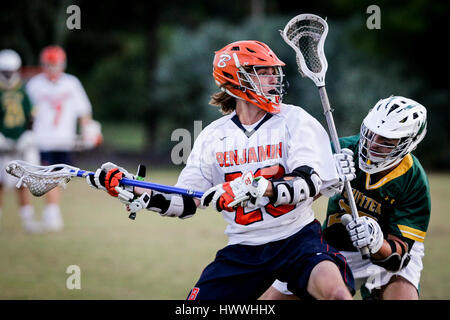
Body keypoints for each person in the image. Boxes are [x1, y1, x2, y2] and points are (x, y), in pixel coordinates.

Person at [86, 40, 356, 300]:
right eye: (263, 73)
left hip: (297, 241)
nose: (274, 79)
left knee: (335, 294)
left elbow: (307, 184)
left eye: (274, 72)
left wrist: (257, 187)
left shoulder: (295, 120)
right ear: (236, 80)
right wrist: (136, 188)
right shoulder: (213, 136)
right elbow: (186, 201)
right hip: (243, 250)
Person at [261, 96, 430, 300]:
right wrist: (325, 180)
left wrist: (376, 243)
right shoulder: (342, 151)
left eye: (385, 141)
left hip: (385, 251)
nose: (373, 144)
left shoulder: (414, 179)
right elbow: (293, 199)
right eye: (371, 133)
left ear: (408, 144)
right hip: (336, 245)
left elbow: (398, 259)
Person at [26, 45, 102, 232]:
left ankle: (52, 212)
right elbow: (26, 114)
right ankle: (52, 214)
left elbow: (84, 111)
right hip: (42, 140)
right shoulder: (35, 85)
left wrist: (88, 130)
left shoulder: (71, 83)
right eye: (49, 65)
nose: (52, 69)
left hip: (65, 140)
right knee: (47, 176)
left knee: (60, 177)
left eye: (55, 65)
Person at [0, 49, 41, 232]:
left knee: (23, 181)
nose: (8, 75)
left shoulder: (23, 89)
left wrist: (29, 133)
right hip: (1, 143)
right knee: (0, 182)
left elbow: (32, 114)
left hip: (20, 142)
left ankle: (27, 219)